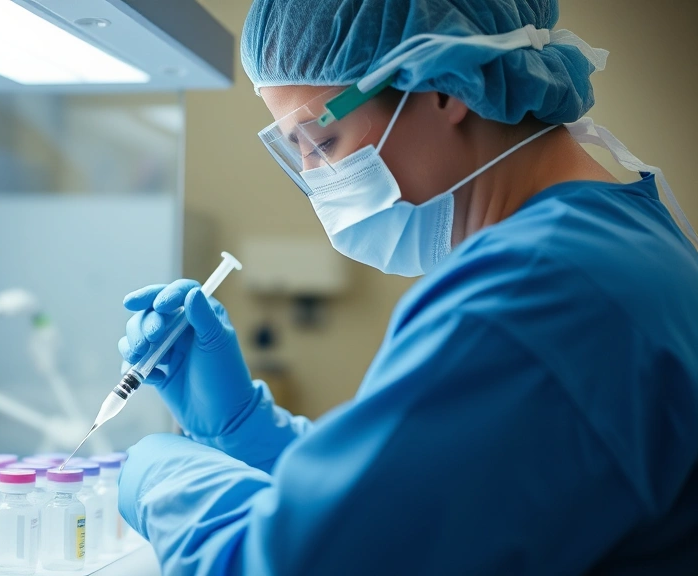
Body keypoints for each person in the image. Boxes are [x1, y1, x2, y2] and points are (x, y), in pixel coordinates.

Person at [115, 0, 698, 574]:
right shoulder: (606, 237)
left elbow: (307, 566)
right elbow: (420, 501)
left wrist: (163, 482)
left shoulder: (531, 296)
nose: (319, 180)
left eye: (324, 141)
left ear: (441, 86)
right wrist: (244, 429)